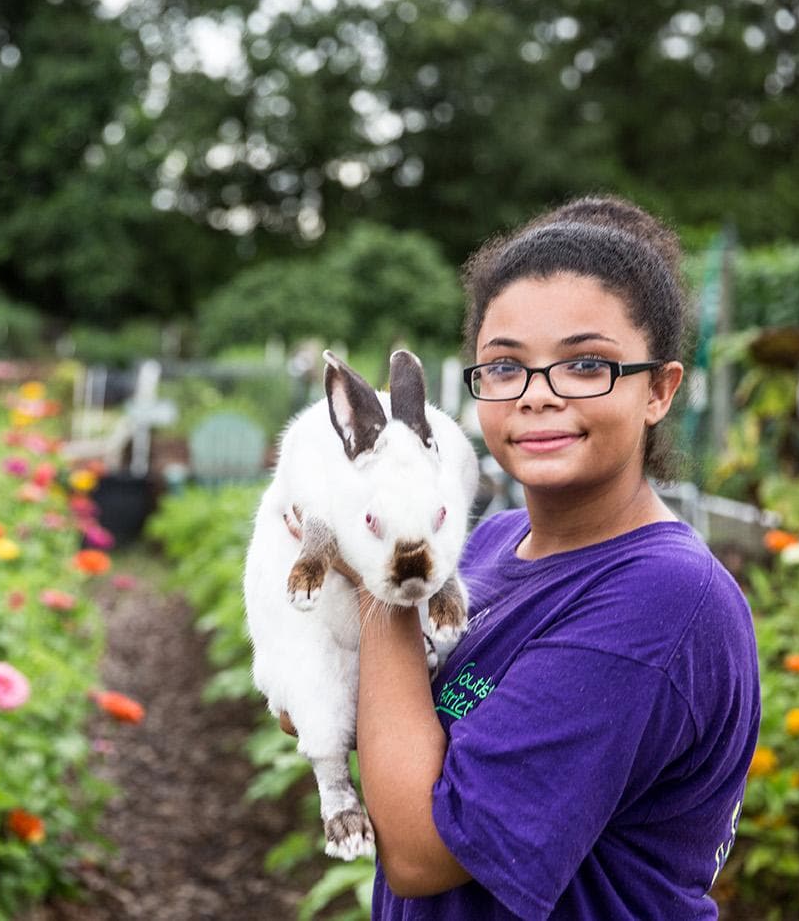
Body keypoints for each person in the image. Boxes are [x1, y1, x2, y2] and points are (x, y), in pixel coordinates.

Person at [284, 196, 761, 919]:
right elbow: (401, 725)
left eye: (586, 364)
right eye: (505, 367)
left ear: (659, 390)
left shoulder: (661, 599)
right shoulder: (490, 544)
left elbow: (421, 852)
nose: (537, 395)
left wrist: (375, 573)